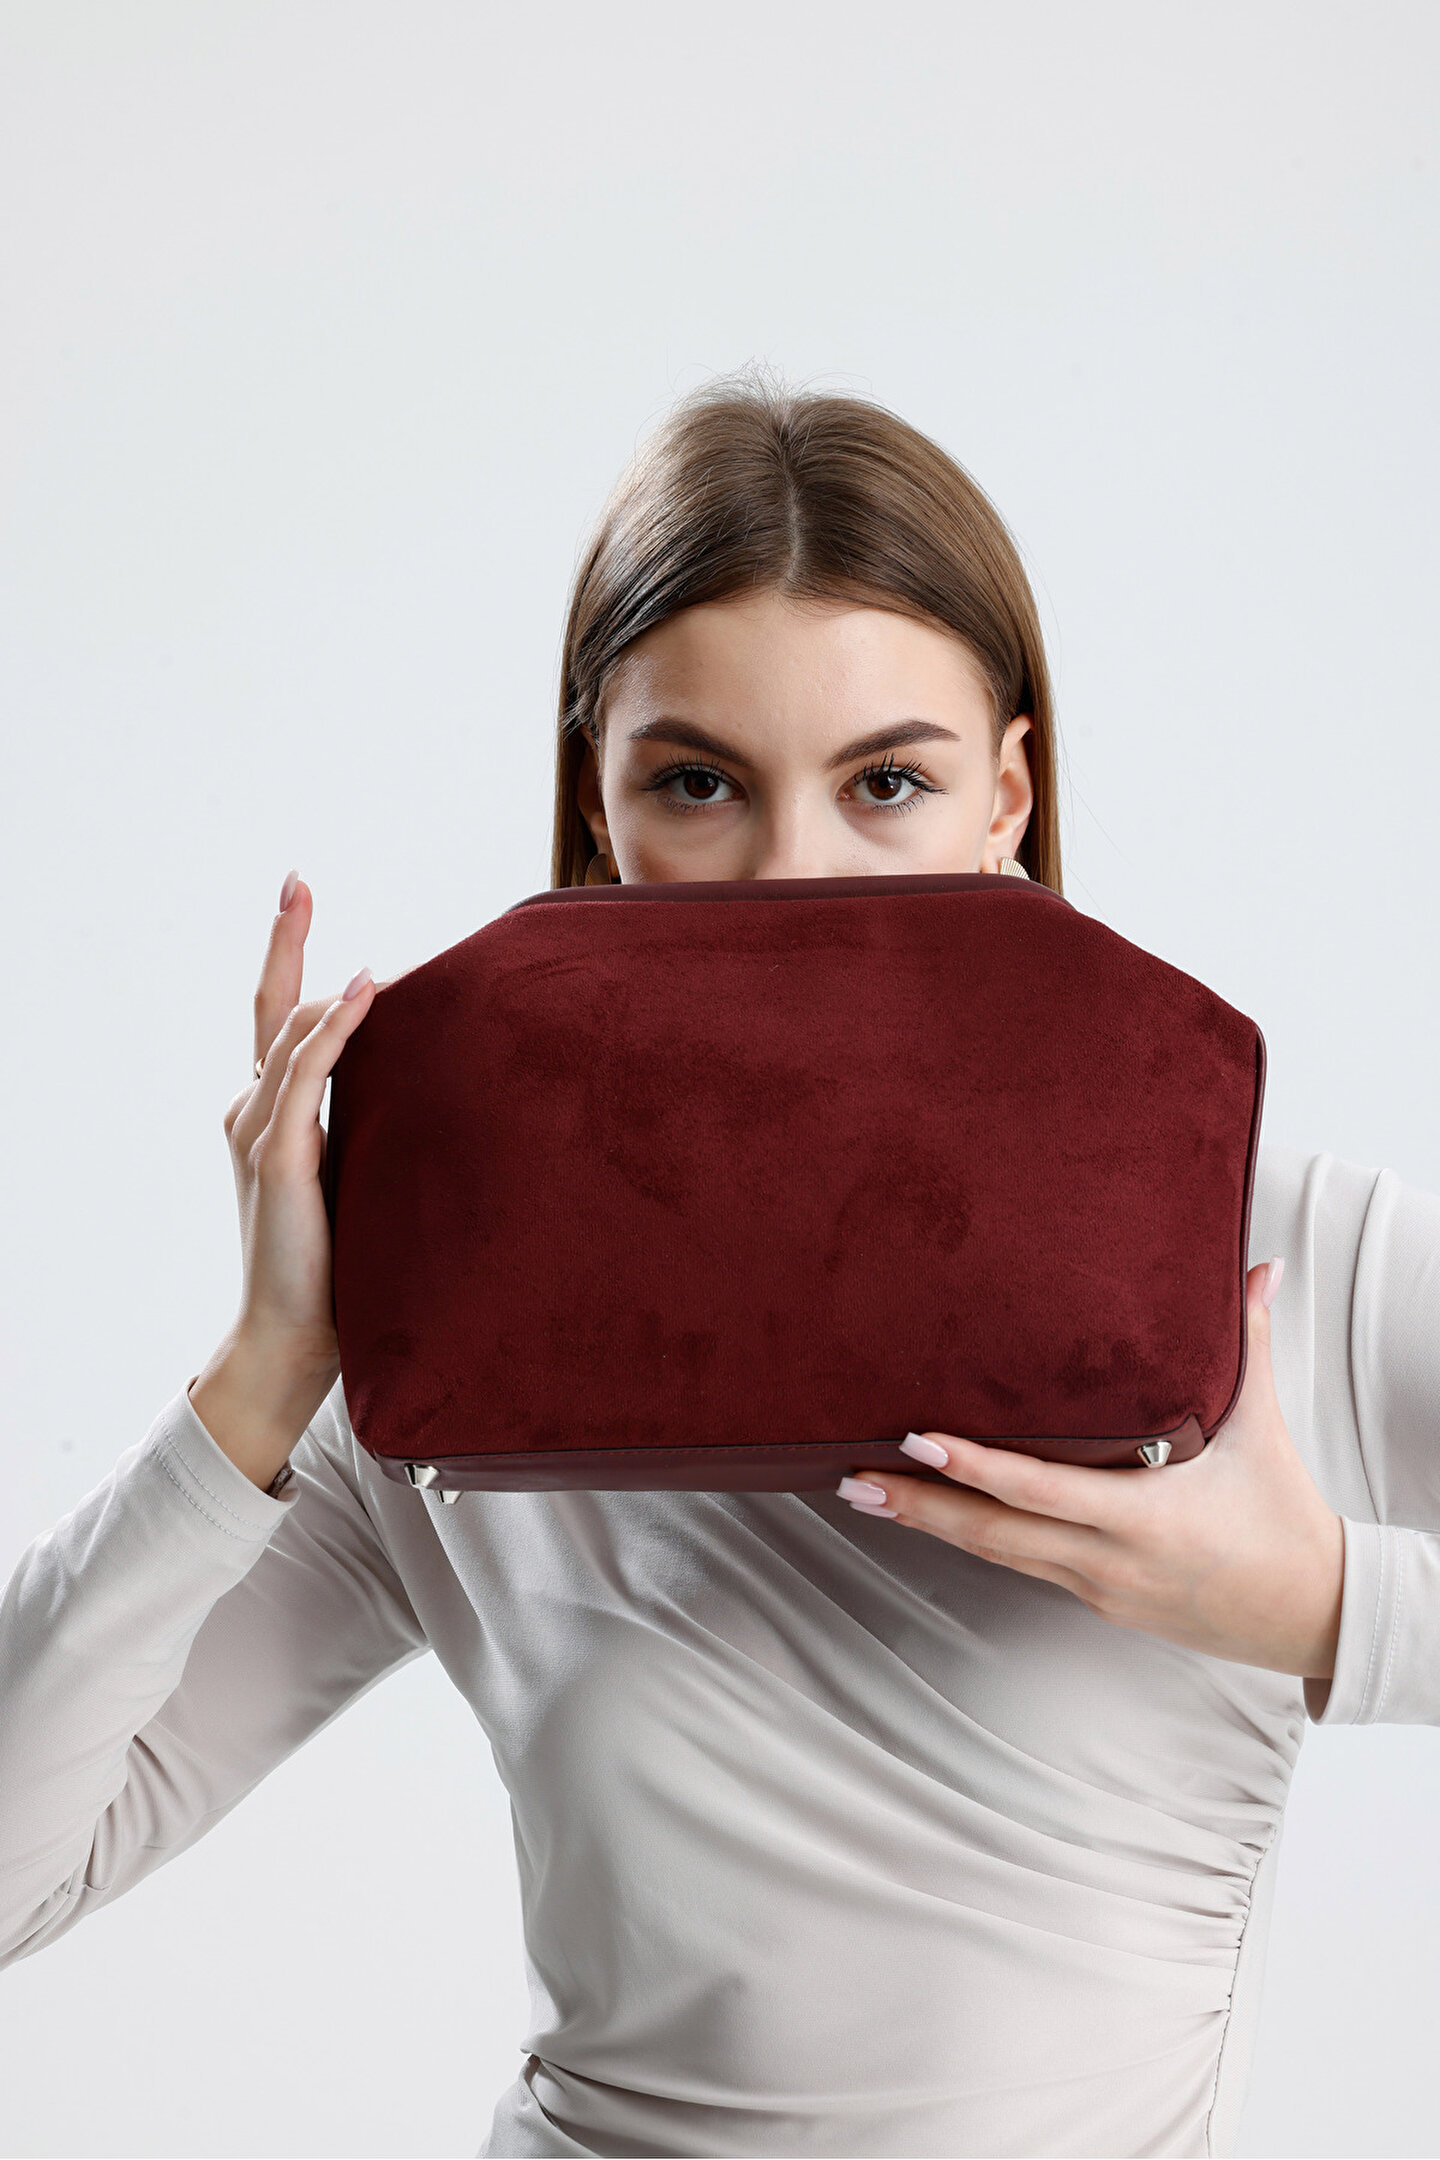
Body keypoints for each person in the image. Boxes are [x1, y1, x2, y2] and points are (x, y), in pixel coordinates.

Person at [2, 377, 1437, 2160]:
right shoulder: (452, 1351)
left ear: (1005, 796)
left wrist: (1321, 1608)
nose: (794, 880)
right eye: (699, 785)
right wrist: (268, 1371)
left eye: (888, 783)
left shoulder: (1276, 1266)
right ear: (598, 811)